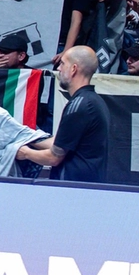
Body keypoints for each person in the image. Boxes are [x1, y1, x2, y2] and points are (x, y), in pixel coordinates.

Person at [16, 46, 108, 182]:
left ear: (73, 69)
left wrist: (24, 153)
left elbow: (54, 157)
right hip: (86, 185)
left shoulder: (79, 106)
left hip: (73, 188)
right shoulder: (95, 101)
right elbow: (61, 142)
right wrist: (25, 135)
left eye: (63, 63)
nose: (58, 68)